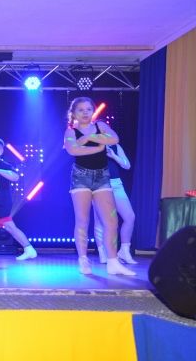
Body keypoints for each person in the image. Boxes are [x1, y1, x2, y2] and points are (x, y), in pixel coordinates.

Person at [63, 97, 135, 276]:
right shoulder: (71, 132)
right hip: (81, 177)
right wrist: (97, 148)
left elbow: (114, 138)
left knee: (112, 221)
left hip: (102, 176)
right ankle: (83, 260)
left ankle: (113, 261)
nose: (85, 113)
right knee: (83, 220)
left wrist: (89, 137)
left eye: (88, 109)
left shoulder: (100, 126)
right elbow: (73, 149)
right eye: (81, 110)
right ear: (74, 113)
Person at [93, 142, 137, 264]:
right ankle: (103, 253)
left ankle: (124, 251)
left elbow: (127, 165)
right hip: (99, 184)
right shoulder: (91, 145)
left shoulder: (115, 146)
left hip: (116, 184)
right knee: (100, 220)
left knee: (129, 217)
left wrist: (114, 156)